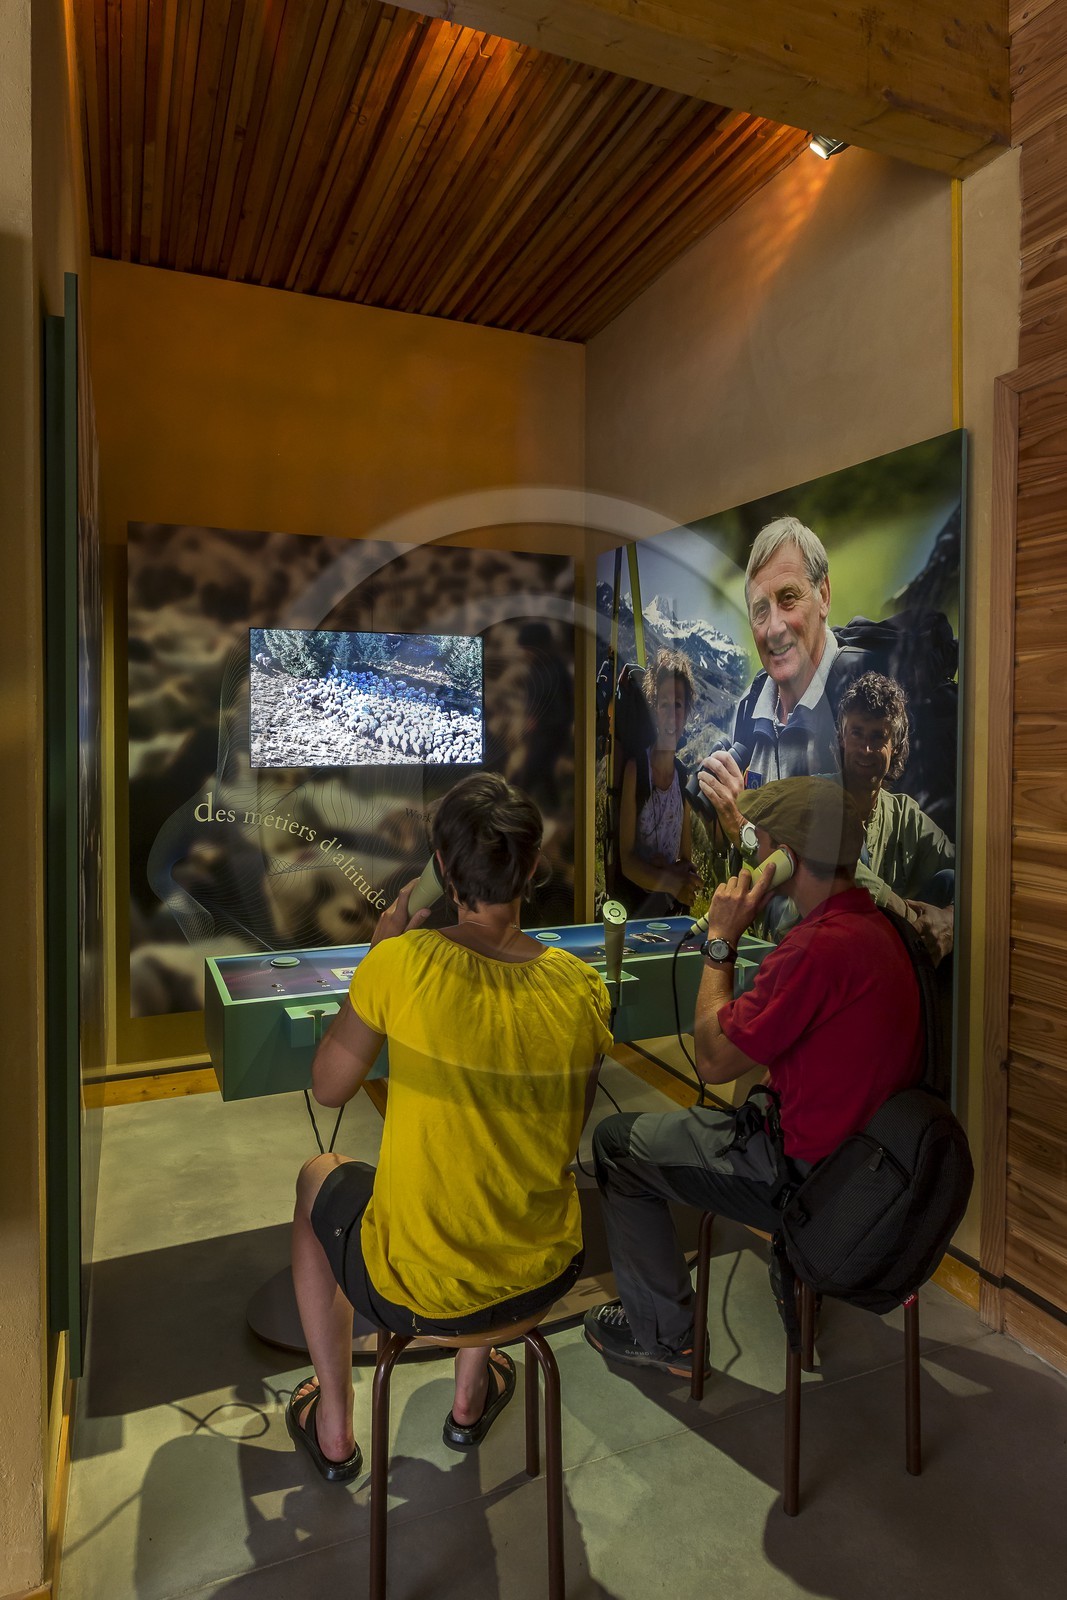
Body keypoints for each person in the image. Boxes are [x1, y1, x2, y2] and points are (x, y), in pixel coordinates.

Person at [287, 773, 612, 1480]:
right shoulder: (583, 986)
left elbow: (328, 1085)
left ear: (441, 868)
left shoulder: (400, 964)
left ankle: (335, 1429)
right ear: (529, 866)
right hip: (543, 1275)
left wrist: (380, 954)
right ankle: (470, 1397)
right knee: (503, 1170)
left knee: (319, 1177)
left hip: (419, 1288)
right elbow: (562, 1131)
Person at [583, 776, 923, 1378]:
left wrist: (720, 941)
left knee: (616, 1145)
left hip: (806, 1178)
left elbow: (712, 1061)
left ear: (785, 857)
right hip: (868, 1173)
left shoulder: (814, 949)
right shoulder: (877, 930)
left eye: (760, 842)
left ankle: (668, 1339)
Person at [696, 517, 842, 847]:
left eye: (788, 598)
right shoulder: (751, 705)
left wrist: (742, 827)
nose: (774, 628)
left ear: (823, 595)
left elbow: (844, 872)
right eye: (760, 609)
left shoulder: (857, 699)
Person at [839, 671, 955, 964]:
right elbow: (840, 868)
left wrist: (949, 920)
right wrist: (904, 913)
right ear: (842, 737)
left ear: (896, 745)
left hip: (890, 960)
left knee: (951, 881)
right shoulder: (817, 796)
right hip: (832, 955)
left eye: (878, 736)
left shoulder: (905, 815)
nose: (866, 749)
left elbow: (969, 874)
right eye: (857, 733)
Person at [615, 650, 702, 914]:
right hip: (636, 912)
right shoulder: (636, 771)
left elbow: (685, 859)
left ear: (686, 713)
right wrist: (670, 881)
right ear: (654, 710)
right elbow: (627, 862)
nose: (672, 716)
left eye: (678, 705)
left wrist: (681, 876)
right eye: (664, 705)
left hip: (671, 914)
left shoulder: (684, 778)